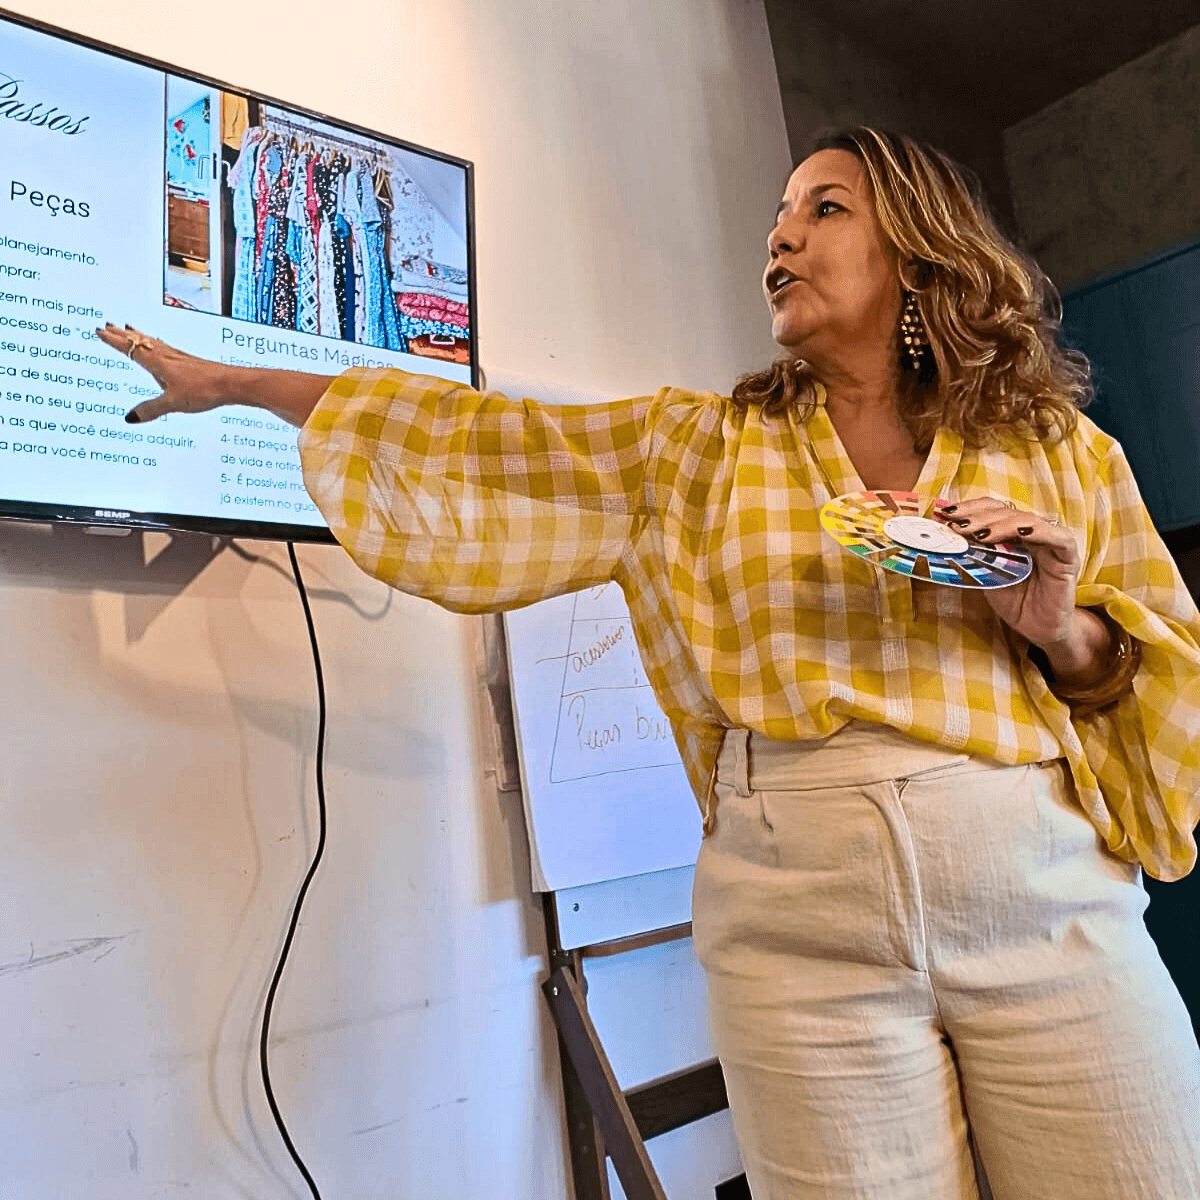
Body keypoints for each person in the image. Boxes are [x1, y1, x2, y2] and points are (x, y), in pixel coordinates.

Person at [98, 126, 1200, 1200]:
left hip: (1039, 892)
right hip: (798, 920)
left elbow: (1150, 672)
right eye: (775, 219)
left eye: (824, 209)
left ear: (918, 252)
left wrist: (1057, 624)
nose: (781, 240)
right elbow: (468, 436)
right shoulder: (696, 443)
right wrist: (237, 383)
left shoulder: (1057, 448)